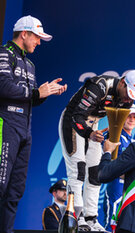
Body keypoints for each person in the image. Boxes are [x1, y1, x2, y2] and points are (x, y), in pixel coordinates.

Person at [0, 15, 67, 233]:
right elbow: (3, 86)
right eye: (37, 37)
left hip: (25, 129)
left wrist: (48, 93)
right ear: (24, 34)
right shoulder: (3, 53)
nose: (39, 42)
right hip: (6, 124)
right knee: (0, 185)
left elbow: (32, 99)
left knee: (16, 190)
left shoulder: (30, 64)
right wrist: (37, 92)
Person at [59, 70, 135, 231]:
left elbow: (116, 123)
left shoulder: (127, 101)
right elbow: (76, 116)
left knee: (95, 172)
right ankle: (76, 217)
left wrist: (107, 140)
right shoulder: (99, 86)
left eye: (133, 97)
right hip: (73, 122)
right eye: (128, 94)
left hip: (94, 125)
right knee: (78, 168)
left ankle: (91, 218)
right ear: (122, 82)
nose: (129, 99)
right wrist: (89, 134)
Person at [103, 104, 135, 231]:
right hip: (116, 188)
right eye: (129, 116)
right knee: (112, 226)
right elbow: (112, 167)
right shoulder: (114, 136)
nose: (131, 119)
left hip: (130, 191)